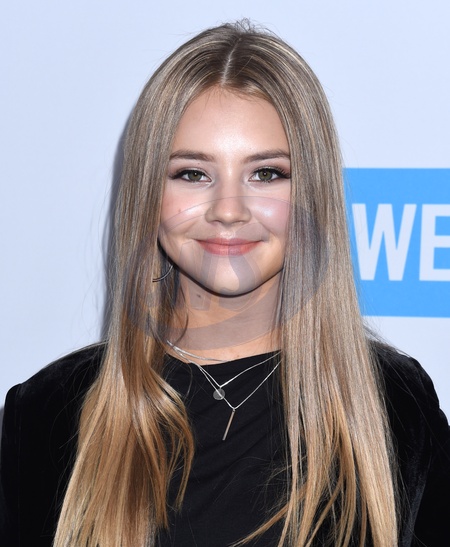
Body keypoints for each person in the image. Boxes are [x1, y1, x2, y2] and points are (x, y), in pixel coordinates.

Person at [1, 21, 449, 547]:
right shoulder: (49, 413)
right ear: (148, 193)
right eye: (193, 173)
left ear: (312, 194)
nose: (229, 211)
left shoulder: (394, 403)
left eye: (266, 174)